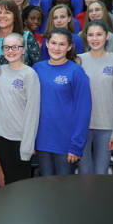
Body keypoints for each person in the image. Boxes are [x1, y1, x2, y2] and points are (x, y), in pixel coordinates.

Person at [33, 29, 92, 176]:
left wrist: (76, 145)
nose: (57, 48)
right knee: (46, 184)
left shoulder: (76, 72)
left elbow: (84, 111)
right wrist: (30, 140)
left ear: (69, 47)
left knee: (64, 187)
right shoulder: (37, 69)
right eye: (53, 43)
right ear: (47, 44)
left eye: (62, 44)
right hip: (42, 141)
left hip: (66, 143)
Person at [0, 32, 40, 184]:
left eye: (15, 47)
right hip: (2, 137)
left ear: (24, 49)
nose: (11, 51)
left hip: (21, 138)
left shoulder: (30, 74)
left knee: (21, 184)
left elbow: (33, 111)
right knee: (8, 181)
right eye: (7, 47)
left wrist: (28, 144)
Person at [78, 20, 113, 175]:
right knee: (84, 173)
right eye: (91, 35)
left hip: (106, 126)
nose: (95, 38)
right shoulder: (78, 60)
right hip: (82, 126)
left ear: (107, 36)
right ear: (86, 37)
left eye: (99, 34)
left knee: (101, 173)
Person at [0, 0, 41, 66]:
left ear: (15, 16)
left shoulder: (26, 36)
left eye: (7, 12)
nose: (2, 16)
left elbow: (38, 65)